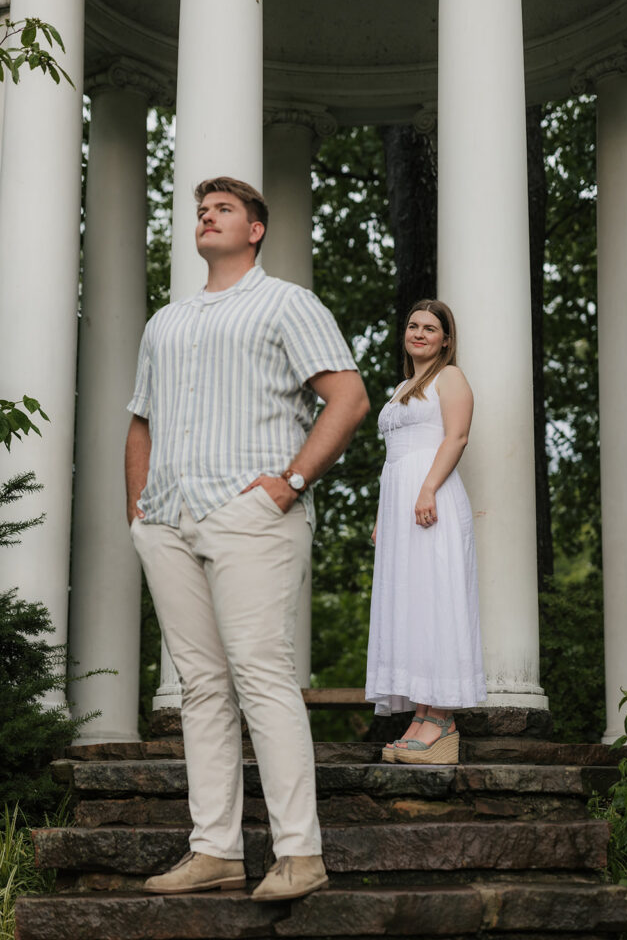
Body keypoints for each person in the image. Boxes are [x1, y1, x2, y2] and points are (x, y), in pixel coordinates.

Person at [125, 176, 369, 901]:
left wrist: (290, 482)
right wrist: (138, 511)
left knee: (261, 675)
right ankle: (216, 851)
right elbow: (140, 419)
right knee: (200, 688)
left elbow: (347, 397)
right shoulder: (163, 322)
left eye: (223, 209)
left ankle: (299, 853)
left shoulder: (288, 303)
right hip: (168, 519)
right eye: (201, 210)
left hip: (250, 514)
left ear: (255, 228)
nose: (207, 216)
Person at [365, 299, 486, 764]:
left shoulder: (449, 378)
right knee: (410, 604)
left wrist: (427, 489)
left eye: (430, 328)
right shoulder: (402, 387)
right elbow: (392, 458)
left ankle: (442, 717)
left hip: (430, 499)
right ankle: (420, 712)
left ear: (445, 339)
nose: (419, 333)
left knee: (436, 598)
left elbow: (456, 436)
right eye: (413, 326)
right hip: (401, 505)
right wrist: (383, 515)